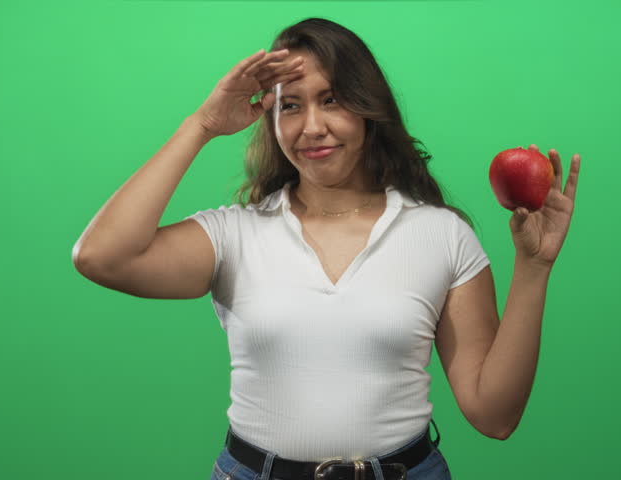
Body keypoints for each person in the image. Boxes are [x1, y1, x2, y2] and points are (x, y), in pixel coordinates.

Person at [72, 17, 581, 480]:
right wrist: (201, 125)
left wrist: (534, 267)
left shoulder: (440, 235)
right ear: (269, 119)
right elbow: (102, 256)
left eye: (332, 99)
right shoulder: (234, 235)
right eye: (290, 105)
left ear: (367, 108)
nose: (311, 127)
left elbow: (494, 416)